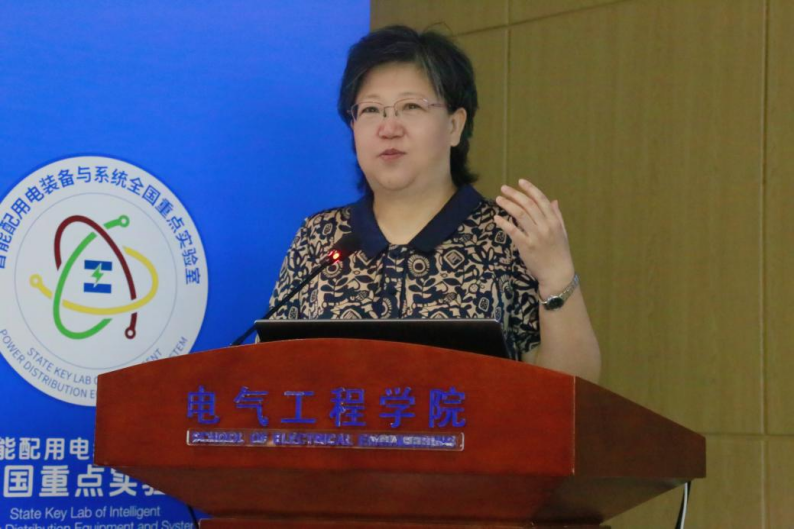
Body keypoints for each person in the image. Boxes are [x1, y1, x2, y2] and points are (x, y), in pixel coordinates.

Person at [269, 25, 601, 383]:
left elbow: (571, 390)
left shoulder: (507, 236)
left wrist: (556, 276)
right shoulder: (319, 236)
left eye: (411, 106)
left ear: (455, 126)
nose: (388, 128)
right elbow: (269, 374)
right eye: (371, 110)